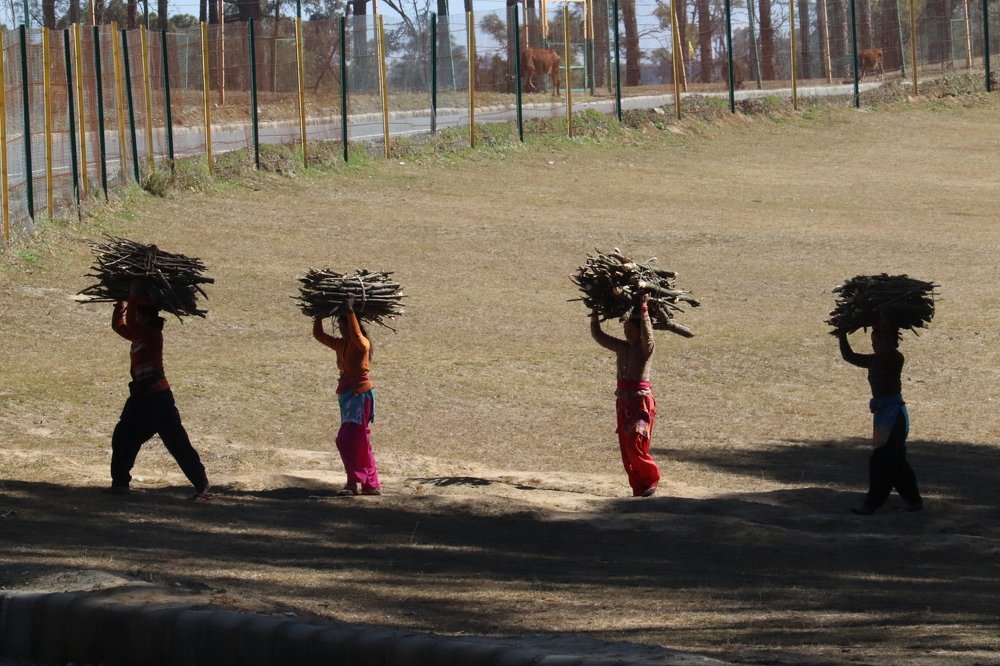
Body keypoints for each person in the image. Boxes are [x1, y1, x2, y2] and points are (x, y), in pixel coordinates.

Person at [108, 280, 211, 500]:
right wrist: (120, 302)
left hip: (158, 400)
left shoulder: (152, 335)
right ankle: (120, 484)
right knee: (123, 436)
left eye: (139, 314)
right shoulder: (138, 335)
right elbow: (118, 326)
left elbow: (130, 323)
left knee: (176, 442)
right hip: (140, 399)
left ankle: (202, 485)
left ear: (146, 318)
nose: (136, 317)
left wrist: (132, 296)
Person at [837, 324, 923, 515]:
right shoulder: (875, 360)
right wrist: (841, 335)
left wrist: (883, 316)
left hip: (894, 415)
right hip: (884, 415)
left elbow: (889, 344)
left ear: (887, 342)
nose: (873, 345)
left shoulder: (894, 358)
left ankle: (871, 504)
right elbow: (849, 356)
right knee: (896, 461)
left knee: (881, 460)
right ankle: (914, 501)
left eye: (876, 342)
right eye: (872, 342)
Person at [590, 292, 660, 497]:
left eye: (631, 329)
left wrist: (644, 310)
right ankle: (638, 487)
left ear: (639, 331)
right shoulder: (621, 347)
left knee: (638, 442)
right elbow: (599, 337)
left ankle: (651, 480)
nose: (627, 332)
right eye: (625, 329)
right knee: (627, 448)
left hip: (641, 404)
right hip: (623, 403)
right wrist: (594, 315)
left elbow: (649, 336)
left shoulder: (646, 349)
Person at [313, 292, 382, 496]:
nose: (343, 330)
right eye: (341, 326)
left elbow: (357, 336)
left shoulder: (362, 344)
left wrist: (351, 312)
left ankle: (354, 482)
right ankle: (370, 484)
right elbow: (319, 336)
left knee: (346, 440)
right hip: (347, 398)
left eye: (345, 326)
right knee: (360, 441)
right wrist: (318, 316)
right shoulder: (341, 344)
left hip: (360, 397)